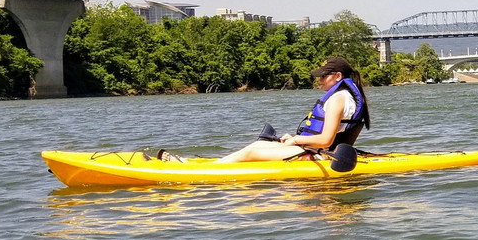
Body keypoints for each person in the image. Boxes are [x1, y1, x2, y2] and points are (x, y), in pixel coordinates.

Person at [159, 57, 371, 164]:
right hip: (317, 151)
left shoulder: (337, 100)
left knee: (252, 151)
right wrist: (295, 139)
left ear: (338, 77)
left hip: (322, 155)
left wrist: (296, 140)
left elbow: (325, 140)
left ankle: (198, 171)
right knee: (259, 144)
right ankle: (213, 164)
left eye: (324, 76)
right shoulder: (344, 96)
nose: (320, 80)